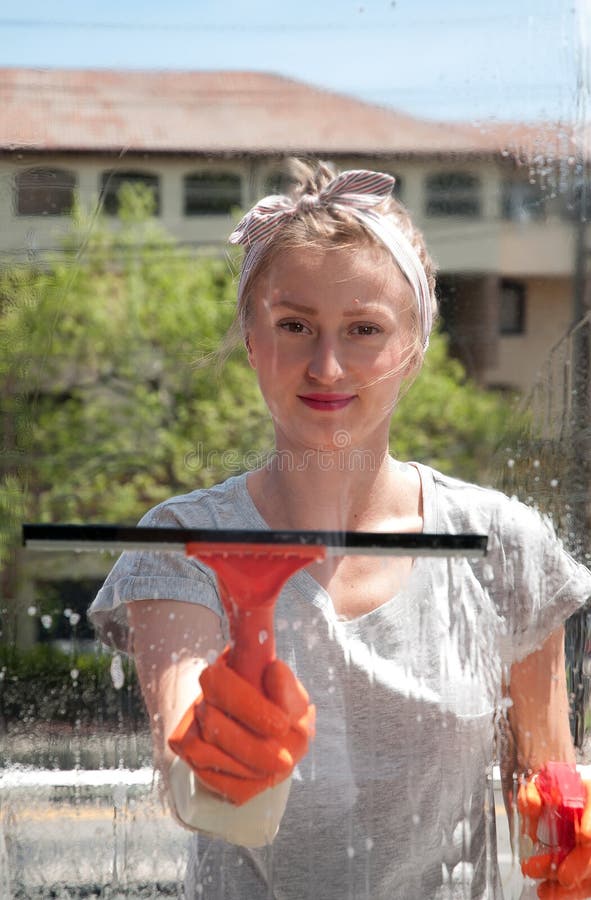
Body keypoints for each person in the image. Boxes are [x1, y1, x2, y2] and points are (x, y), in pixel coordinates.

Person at [89, 161, 591, 899]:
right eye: (294, 326)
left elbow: (545, 775)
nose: (326, 366)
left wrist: (569, 842)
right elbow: (187, 763)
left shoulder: (504, 542)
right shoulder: (183, 538)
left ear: (414, 349)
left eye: (363, 330)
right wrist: (219, 752)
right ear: (251, 341)